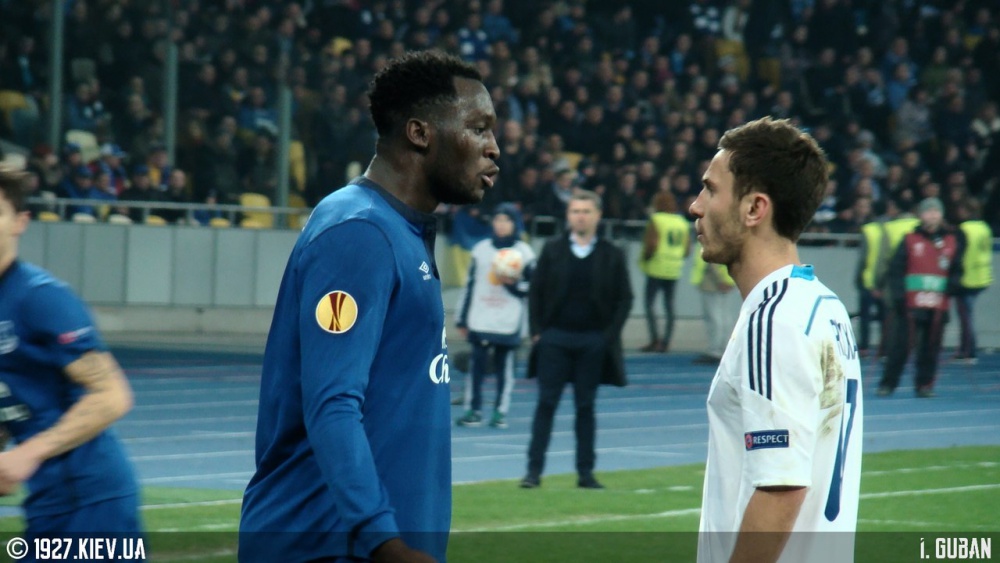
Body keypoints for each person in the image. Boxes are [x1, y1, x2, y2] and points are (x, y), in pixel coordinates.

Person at [239, 51, 499, 563]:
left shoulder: (398, 230)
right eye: (478, 128)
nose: (493, 147)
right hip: (330, 546)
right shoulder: (360, 233)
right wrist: (384, 541)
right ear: (420, 133)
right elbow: (332, 404)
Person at [690, 117, 864, 563]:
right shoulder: (824, 306)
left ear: (754, 209)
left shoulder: (774, 319)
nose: (695, 206)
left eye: (710, 190)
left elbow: (781, 487)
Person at [0, 165, 142, 539]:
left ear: (20, 222)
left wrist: (27, 453)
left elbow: (112, 395)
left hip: (93, 500)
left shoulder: (41, 297)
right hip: (48, 501)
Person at [521, 190, 633, 490]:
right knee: (546, 404)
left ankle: (586, 473)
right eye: (575, 211)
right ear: (568, 216)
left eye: (585, 211)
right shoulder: (552, 249)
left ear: (598, 215)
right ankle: (533, 472)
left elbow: (625, 298)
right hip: (555, 338)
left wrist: (607, 337)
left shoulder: (612, 253)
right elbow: (536, 292)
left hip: (592, 341)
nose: (580, 217)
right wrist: (537, 332)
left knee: (585, 406)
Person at [455, 203, 535, 429]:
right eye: (498, 220)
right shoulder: (481, 250)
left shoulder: (525, 252)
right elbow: (470, 285)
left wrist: (513, 284)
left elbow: (534, 287)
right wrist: (462, 318)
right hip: (481, 317)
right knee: (476, 368)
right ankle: (474, 410)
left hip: (508, 320)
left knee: (504, 370)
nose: (501, 225)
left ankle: (500, 411)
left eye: (507, 220)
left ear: (515, 224)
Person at [878, 197, 964, 398]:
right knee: (901, 346)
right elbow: (896, 269)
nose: (932, 215)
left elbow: (957, 270)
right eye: (928, 211)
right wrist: (898, 296)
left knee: (931, 348)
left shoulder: (952, 241)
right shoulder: (909, 239)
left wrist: (953, 286)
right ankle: (888, 383)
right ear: (921, 215)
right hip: (910, 304)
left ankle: (925, 384)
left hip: (937, 304)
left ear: (941, 215)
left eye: (936, 211)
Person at [638, 191, 690, 353]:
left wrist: (645, 258)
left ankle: (655, 339)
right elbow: (687, 249)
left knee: (650, 304)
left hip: (657, 266)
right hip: (674, 268)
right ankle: (666, 341)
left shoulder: (656, 220)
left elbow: (651, 244)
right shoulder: (681, 222)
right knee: (669, 306)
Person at [952, 199, 993, 364]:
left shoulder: (964, 229)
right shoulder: (984, 227)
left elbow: (958, 255)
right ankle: (965, 350)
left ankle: (969, 352)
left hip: (966, 278)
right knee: (967, 315)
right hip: (981, 276)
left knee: (966, 317)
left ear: (965, 210)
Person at [689, 244, 737, 364]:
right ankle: (725, 347)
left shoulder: (710, 240)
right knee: (725, 316)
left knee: (714, 317)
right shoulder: (728, 240)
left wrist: (719, 279)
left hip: (712, 282)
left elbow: (711, 262)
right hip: (726, 280)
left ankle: (715, 350)